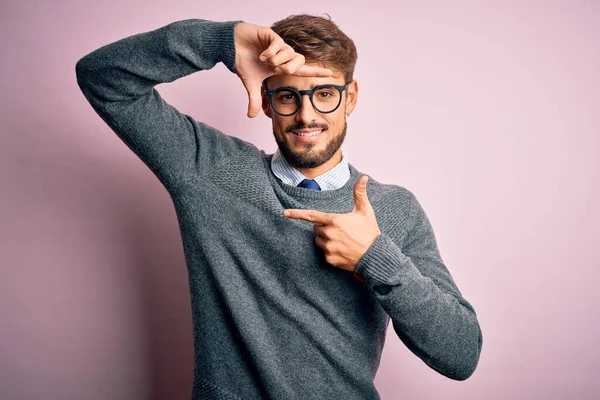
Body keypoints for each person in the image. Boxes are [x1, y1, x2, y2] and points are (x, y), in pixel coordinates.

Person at [75, 14, 483, 400]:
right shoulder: (209, 171)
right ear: (267, 100)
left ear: (350, 97)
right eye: (288, 95)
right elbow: (103, 77)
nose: (306, 116)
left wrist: (376, 258)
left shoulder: (394, 209)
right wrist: (219, 40)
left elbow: (461, 355)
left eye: (324, 94)